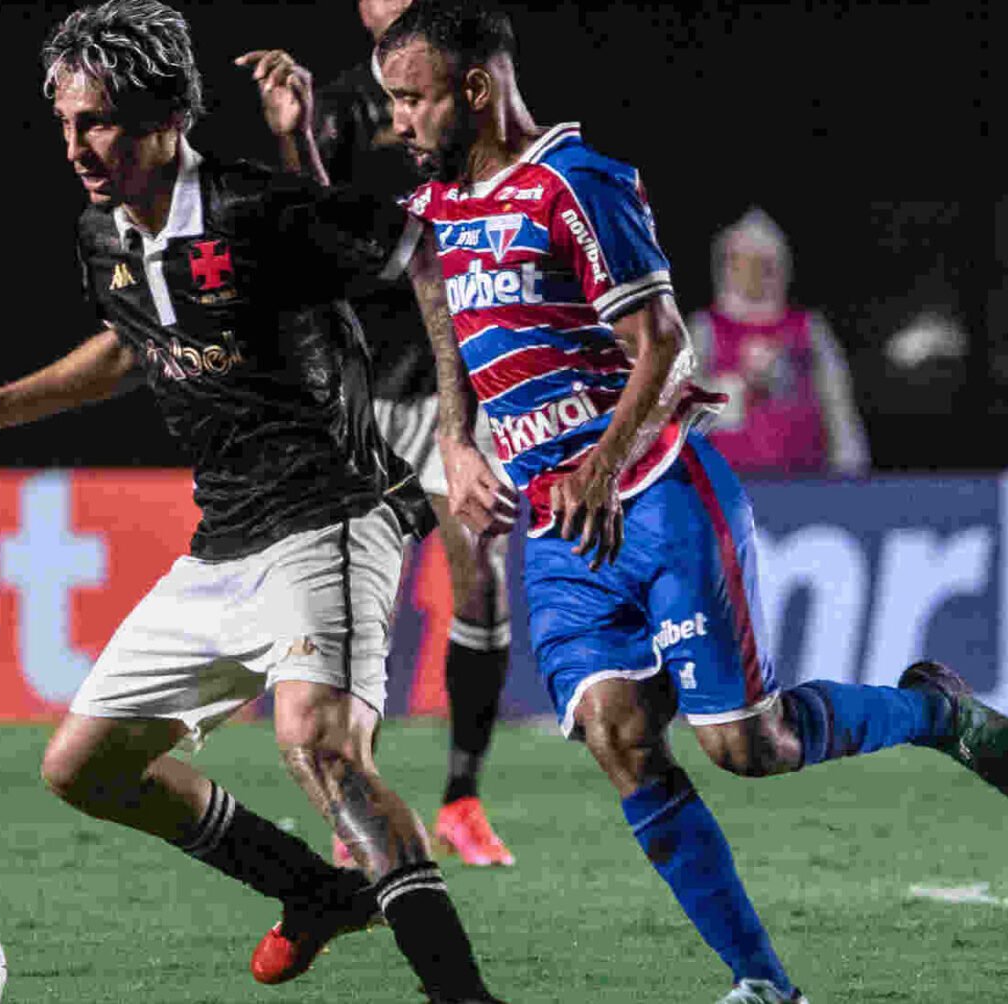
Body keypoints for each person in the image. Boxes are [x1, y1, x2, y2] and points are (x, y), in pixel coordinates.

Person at [375, 3, 1008, 1002]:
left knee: (747, 746)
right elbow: (444, 323)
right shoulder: (438, 208)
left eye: (410, 99)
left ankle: (936, 713)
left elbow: (664, 342)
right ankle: (764, 983)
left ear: (477, 88)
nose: (399, 121)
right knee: (620, 737)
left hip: (657, 494)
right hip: (556, 523)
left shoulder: (575, 184)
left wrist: (602, 459)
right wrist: (456, 441)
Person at [0, 3, 502, 1001]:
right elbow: (133, 342)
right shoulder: (102, 234)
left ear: (169, 112)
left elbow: (422, 254)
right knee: (84, 764)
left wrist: (459, 432)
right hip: (225, 538)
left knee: (317, 742)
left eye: (102, 122)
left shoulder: (257, 207)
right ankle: (313, 890)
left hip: (335, 510)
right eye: (68, 122)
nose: (79, 146)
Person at [242, 0, 514, 870]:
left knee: (481, 584)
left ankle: (463, 798)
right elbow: (316, 226)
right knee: (363, 601)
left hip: (455, 379)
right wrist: (294, 137)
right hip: (369, 381)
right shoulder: (344, 104)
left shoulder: (466, 87)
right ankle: (355, 802)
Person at [687, 208, 869, 477]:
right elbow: (678, 407)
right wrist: (738, 389)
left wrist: (850, 467)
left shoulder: (809, 328)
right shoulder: (705, 328)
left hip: (806, 479)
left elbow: (836, 402)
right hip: (725, 485)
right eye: (744, 264)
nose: (754, 274)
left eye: (764, 264)